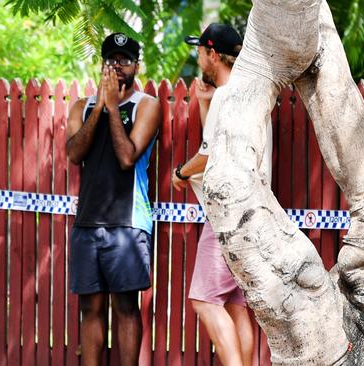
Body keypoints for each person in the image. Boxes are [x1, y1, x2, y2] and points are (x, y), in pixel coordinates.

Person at [173, 23, 272, 366]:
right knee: (234, 303)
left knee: (204, 301)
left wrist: (180, 173)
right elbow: (217, 143)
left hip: (226, 215)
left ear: (212, 54)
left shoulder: (226, 97)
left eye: (200, 50)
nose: (198, 56)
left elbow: (207, 156)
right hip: (254, 214)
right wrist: (204, 103)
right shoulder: (246, 96)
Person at [66, 32, 161, 366]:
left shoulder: (146, 105)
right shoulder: (81, 106)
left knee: (125, 307)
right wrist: (99, 109)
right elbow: (75, 153)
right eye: (111, 60)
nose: (117, 67)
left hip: (128, 224)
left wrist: (112, 107)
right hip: (87, 222)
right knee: (89, 309)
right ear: (102, 65)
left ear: (136, 65)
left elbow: (126, 157)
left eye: (124, 60)